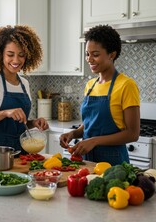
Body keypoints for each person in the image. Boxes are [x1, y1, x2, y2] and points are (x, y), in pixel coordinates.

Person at [60, 24, 140, 165]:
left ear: (112, 55)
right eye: (87, 54)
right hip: (87, 160)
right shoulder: (90, 85)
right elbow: (90, 123)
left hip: (113, 162)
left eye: (95, 55)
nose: (89, 59)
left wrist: (94, 141)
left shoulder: (126, 85)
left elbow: (132, 133)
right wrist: (73, 133)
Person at [0, 25, 49, 154]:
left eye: (21, 55)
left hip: (22, 151)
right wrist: (4, 113)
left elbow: (17, 125)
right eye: (10, 54)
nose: (16, 60)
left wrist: (33, 122)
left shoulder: (24, 83)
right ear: (0, 53)